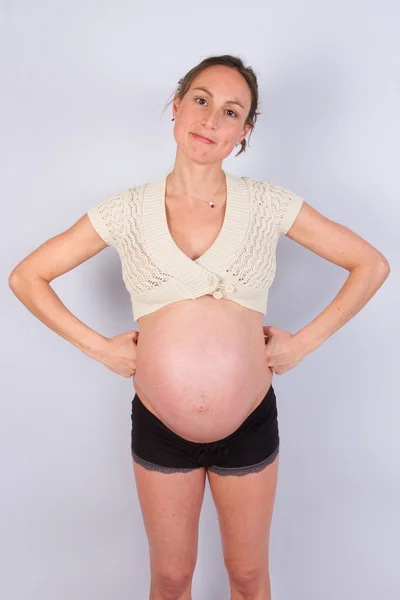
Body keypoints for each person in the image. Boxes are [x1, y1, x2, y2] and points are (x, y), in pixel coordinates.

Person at [9, 54, 390, 600]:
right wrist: (101, 350)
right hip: (161, 424)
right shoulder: (127, 211)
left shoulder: (266, 204)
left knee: (249, 577)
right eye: (202, 100)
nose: (211, 120)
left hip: (249, 423)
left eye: (231, 112)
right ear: (177, 105)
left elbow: (370, 264)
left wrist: (303, 344)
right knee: (169, 580)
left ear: (245, 132)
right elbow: (27, 277)